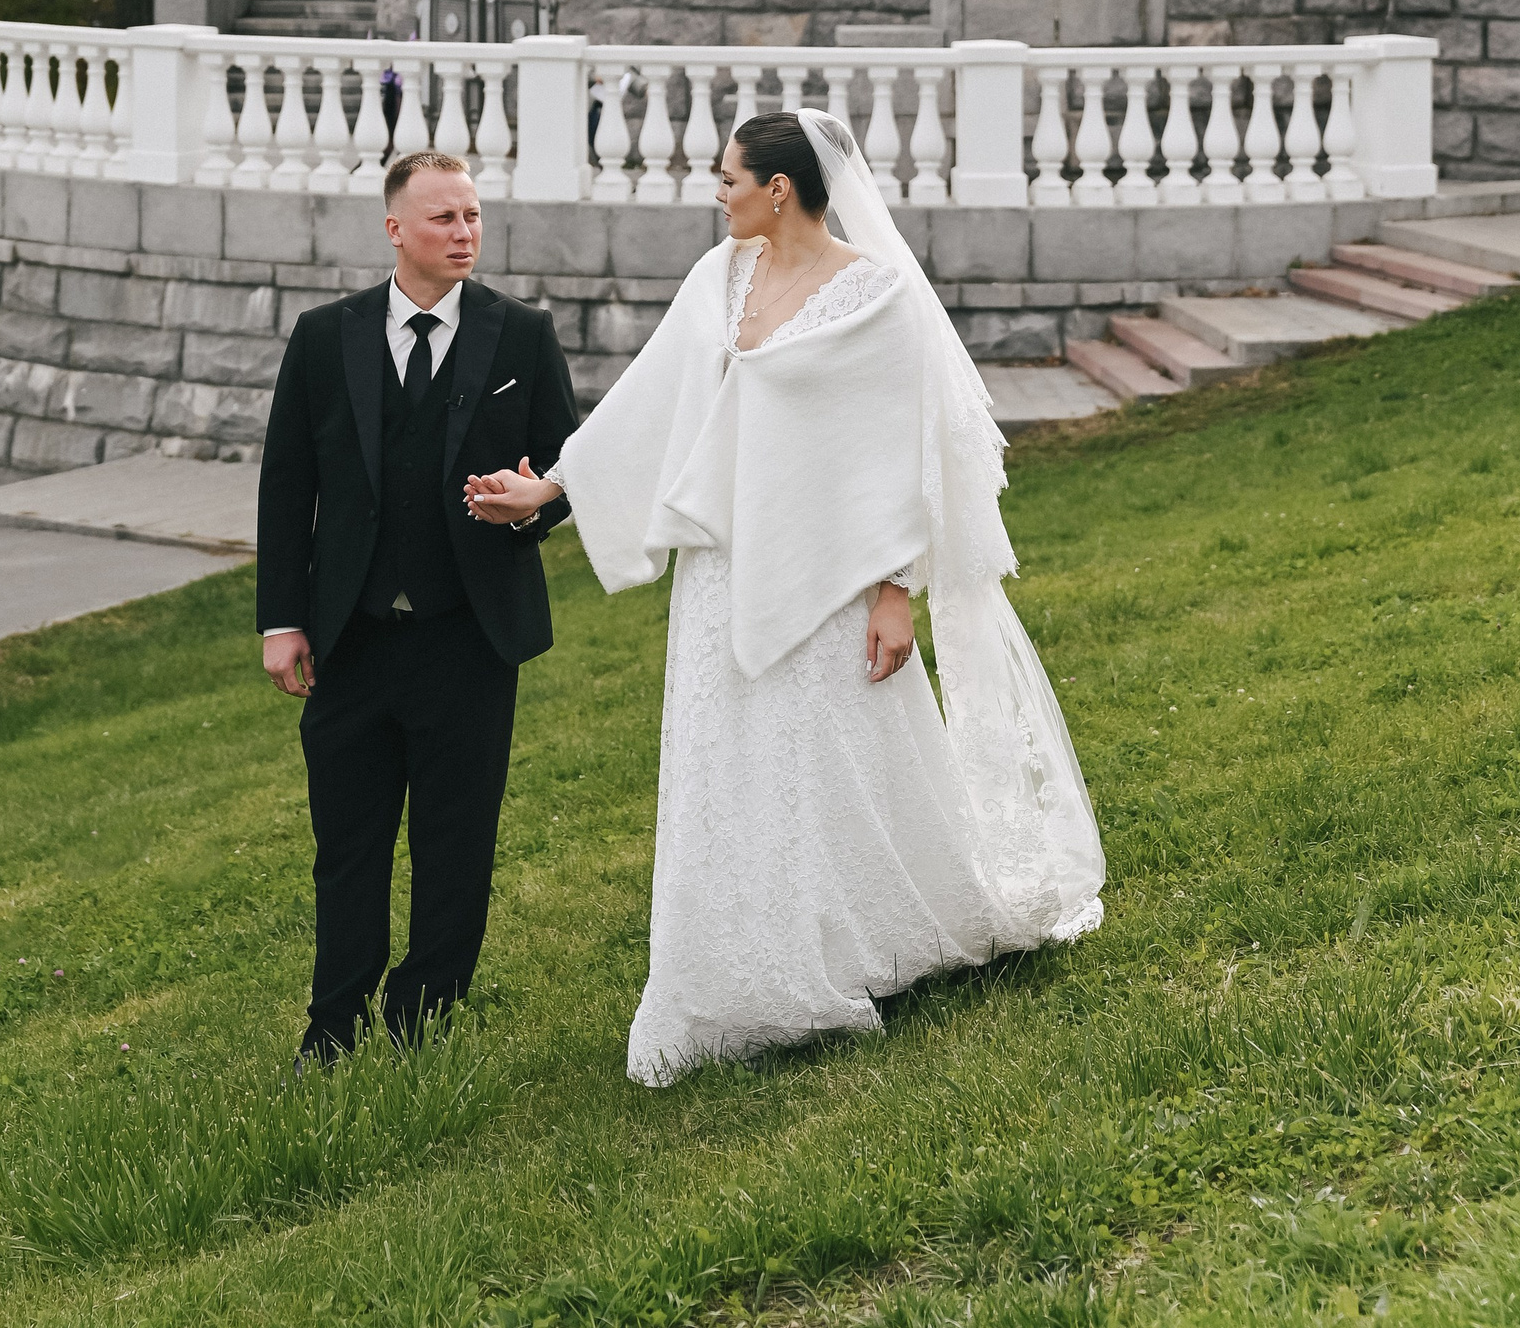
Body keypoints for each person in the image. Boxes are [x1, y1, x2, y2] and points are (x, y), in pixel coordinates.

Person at [466, 108, 1104, 1085]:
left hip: (835, 574)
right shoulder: (718, 277)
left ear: (778, 188)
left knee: (834, 762)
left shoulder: (878, 296)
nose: (716, 194)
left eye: (728, 179)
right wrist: (548, 489)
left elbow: (899, 451)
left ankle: (873, 938)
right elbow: (648, 402)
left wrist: (895, 592)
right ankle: (737, 971)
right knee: (728, 767)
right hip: (721, 573)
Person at [256, 149, 579, 1061]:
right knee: (346, 845)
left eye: (472, 215)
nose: (464, 232)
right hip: (351, 640)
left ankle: (420, 1023)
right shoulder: (326, 336)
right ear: (396, 229)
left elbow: (568, 469)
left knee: (456, 842)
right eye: (444, 218)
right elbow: (287, 486)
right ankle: (333, 1027)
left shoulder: (522, 335)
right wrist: (283, 621)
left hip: (469, 637)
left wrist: (532, 506)